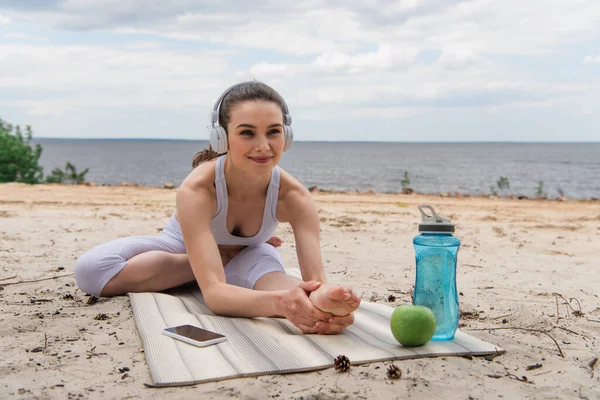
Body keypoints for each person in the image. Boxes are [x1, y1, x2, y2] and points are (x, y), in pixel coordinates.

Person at [74, 81, 361, 334]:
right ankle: (220, 261)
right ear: (221, 137)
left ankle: (231, 265)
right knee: (90, 270)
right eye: (247, 133)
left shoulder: (295, 197)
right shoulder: (198, 189)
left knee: (285, 284)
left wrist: (322, 298)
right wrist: (280, 304)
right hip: (179, 247)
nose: (263, 146)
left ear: (286, 136)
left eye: (273, 132)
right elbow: (215, 295)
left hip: (250, 255)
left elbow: (315, 279)